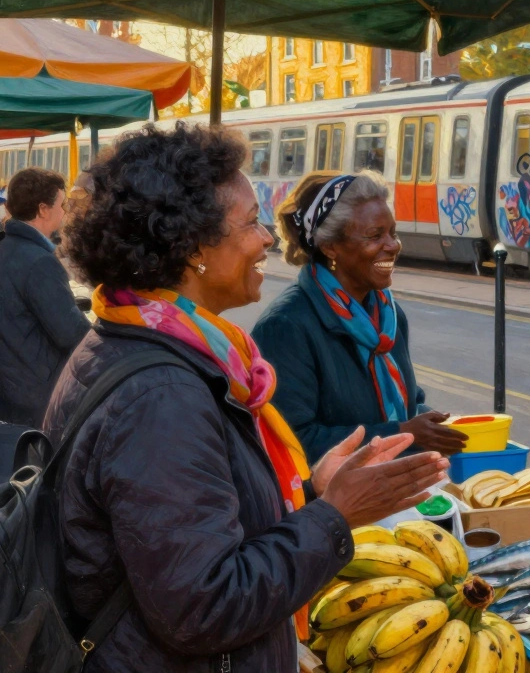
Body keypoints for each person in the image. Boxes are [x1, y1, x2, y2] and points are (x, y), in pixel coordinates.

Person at [47, 122, 450, 672]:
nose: (268, 240)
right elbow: (203, 608)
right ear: (193, 248)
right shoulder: (160, 398)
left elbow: (207, 525)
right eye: (251, 223)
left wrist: (310, 491)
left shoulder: (141, 344)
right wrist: (333, 516)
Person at [254, 171, 466, 464]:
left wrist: (428, 422)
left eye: (393, 232)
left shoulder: (388, 315)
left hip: (395, 490)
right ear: (330, 247)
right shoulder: (286, 326)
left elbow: (408, 401)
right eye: (375, 235)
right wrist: (403, 434)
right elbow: (291, 440)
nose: (392, 245)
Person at [0, 167, 90, 427]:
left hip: (9, 396)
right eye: (62, 205)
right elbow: (73, 336)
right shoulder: (40, 262)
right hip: (39, 400)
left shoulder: (5, 249)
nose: (64, 212)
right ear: (43, 209)